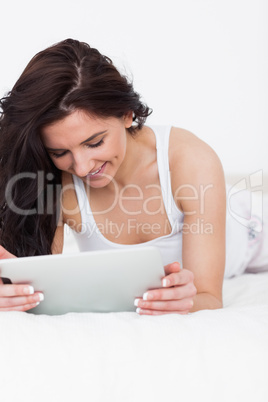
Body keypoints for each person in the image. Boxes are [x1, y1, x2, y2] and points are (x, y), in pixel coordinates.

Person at [0, 38, 267, 314]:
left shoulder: (191, 162)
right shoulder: (57, 183)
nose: (80, 168)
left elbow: (209, 297)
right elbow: (39, 292)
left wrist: (186, 303)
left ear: (127, 115)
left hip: (253, 232)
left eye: (94, 143)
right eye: (59, 152)